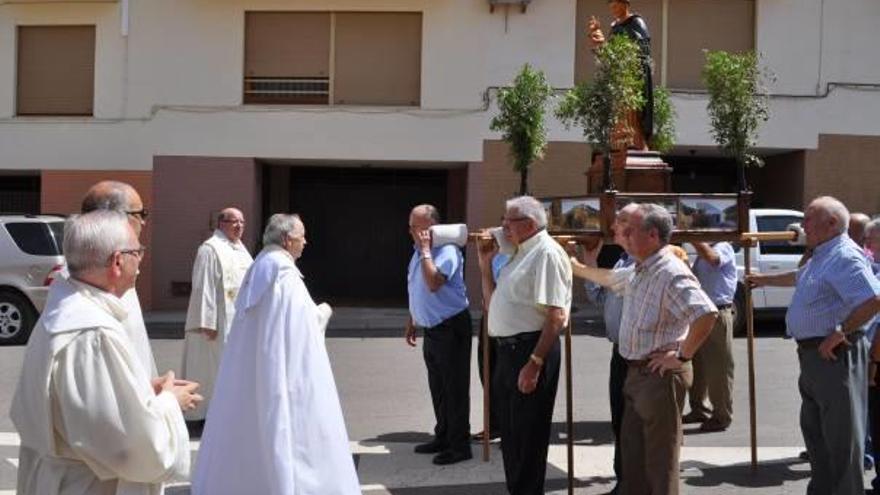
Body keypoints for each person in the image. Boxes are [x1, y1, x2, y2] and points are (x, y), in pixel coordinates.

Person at [10, 211, 198, 495]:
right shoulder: (91, 332)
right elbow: (130, 448)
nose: (141, 262)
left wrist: (141, 391)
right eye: (138, 251)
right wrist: (171, 401)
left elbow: (79, 406)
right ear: (117, 261)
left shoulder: (65, 312)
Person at [191, 214, 360, 495]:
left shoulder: (259, 264)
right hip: (282, 370)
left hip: (252, 368)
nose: (305, 241)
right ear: (286, 239)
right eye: (302, 236)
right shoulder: (284, 273)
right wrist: (324, 311)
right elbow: (302, 330)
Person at [749, 196, 880, 494]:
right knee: (817, 433)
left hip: (834, 355)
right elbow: (800, 278)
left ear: (831, 223)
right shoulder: (822, 254)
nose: (801, 224)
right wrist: (763, 280)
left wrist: (841, 331)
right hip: (813, 356)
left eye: (809, 218)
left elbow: (873, 299)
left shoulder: (844, 256)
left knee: (841, 438)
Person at [616, 203, 718, 495]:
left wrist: (682, 356)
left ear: (651, 235)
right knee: (635, 460)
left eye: (630, 229)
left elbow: (706, 314)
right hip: (638, 374)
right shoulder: (642, 267)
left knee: (659, 465)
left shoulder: (670, 271)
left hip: (658, 378)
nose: (623, 233)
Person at [477, 195, 572, 495]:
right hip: (508, 351)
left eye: (509, 220)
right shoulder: (519, 252)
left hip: (529, 351)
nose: (503, 226)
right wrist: (484, 266)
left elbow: (555, 316)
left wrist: (535, 362)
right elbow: (492, 304)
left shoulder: (545, 253)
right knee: (512, 435)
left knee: (527, 438)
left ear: (529, 224)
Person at [570, 203, 638, 495]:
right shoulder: (622, 260)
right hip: (619, 353)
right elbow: (599, 294)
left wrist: (580, 267)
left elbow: (613, 282)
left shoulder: (645, 264)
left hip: (640, 358)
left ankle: (634, 483)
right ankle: (623, 480)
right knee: (619, 421)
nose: (613, 228)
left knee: (636, 425)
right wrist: (589, 257)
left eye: (621, 222)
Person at [405, 204, 473, 465]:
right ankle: (443, 436)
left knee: (454, 388)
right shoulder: (418, 252)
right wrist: (412, 318)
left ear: (432, 227)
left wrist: (424, 251)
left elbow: (433, 283)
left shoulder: (447, 251)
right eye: (411, 226)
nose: (411, 231)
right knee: (439, 387)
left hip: (450, 326)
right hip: (431, 328)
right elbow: (416, 287)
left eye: (417, 226)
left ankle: (459, 446)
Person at [181, 207, 253, 422]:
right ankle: (204, 415)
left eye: (242, 222)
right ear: (221, 223)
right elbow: (204, 286)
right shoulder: (210, 249)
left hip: (237, 321)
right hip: (215, 325)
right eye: (234, 221)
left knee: (229, 370)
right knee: (211, 370)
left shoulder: (241, 249)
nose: (239, 226)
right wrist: (207, 321)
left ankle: (228, 414)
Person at [80, 180, 158, 378]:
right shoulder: (90, 282)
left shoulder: (120, 269)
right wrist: (166, 402)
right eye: (140, 214)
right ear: (116, 218)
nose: (143, 222)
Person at [683, 238, 738, 433]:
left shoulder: (723, 246)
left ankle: (721, 416)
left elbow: (714, 260)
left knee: (718, 368)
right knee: (697, 365)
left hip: (717, 312)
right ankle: (699, 408)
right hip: (699, 313)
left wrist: (694, 239)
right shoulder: (702, 253)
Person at [588, 0, 654, 149]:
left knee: (631, 111)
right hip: (618, 79)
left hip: (632, 78)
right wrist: (599, 40)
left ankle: (634, 139)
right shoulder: (615, 27)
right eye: (611, 7)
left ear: (625, 4)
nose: (614, 10)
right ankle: (621, 140)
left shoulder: (637, 22)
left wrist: (627, 56)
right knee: (619, 113)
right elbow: (609, 54)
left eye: (616, 6)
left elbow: (642, 50)